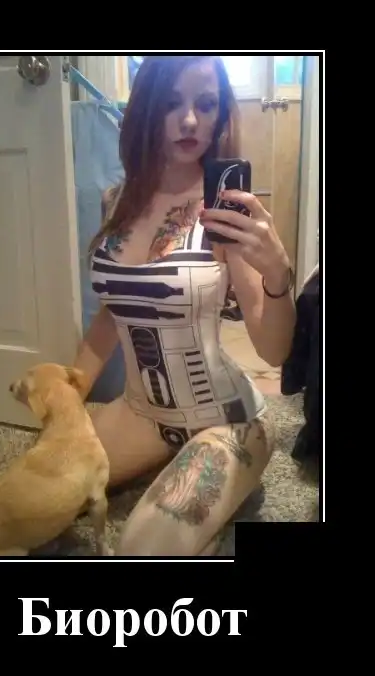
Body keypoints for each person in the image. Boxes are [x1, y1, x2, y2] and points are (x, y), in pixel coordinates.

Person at [74, 56, 296, 556]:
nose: (191, 119)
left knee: (142, 546)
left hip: (227, 419)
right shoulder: (117, 200)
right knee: (28, 493)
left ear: (220, 115)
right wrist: (69, 398)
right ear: (147, 109)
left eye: (206, 104)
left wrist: (278, 275)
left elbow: (274, 350)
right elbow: (112, 313)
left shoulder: (226, 210)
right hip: (140, 412)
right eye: (172, 102)